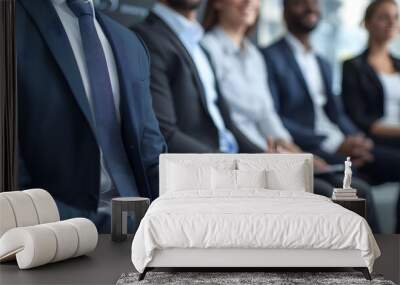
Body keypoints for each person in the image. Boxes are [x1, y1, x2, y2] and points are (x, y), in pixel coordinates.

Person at [200, 0, 372, 204]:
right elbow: (226, 119)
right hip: (244, 154)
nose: (249, 3)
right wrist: (282, 158)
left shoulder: (253, 54)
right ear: (218, 3)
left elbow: (267, 114)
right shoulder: (207, 48)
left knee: (355, 189)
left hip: (272, 151)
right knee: (328, 193)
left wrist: (298, 154)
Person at [16, 0, 167, 232]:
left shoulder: (129, 42)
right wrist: (106, 228)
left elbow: (152, 158)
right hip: (58, 239)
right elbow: (13, 189)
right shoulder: (12, 23)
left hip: (143, 234)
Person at [261, 0, 400, 232]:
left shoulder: (322, 62)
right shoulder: (269, 57)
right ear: (284, 9)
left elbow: (337, 113)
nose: (310, 7)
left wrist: (356, 139)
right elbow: (275, 116)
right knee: (359, 189)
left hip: (345, 145)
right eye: (300, 3)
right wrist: (335, 144)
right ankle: (375, 261)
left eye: (314, 2)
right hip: (314, 147)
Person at [132, 0, 263, 154]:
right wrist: (229, 162)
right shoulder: (144, 38)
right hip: (203, 169)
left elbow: (228, 126)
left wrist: (265, 157)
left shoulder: (199, 46)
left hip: (227, 160)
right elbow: (164, 133)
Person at [342, 0, 400, 150]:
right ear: (367, 23)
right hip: (375, 140)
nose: (392, 22)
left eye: (396, 17)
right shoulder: (353, 66)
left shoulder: (398, 64)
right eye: (384, 17)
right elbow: (358, 118)